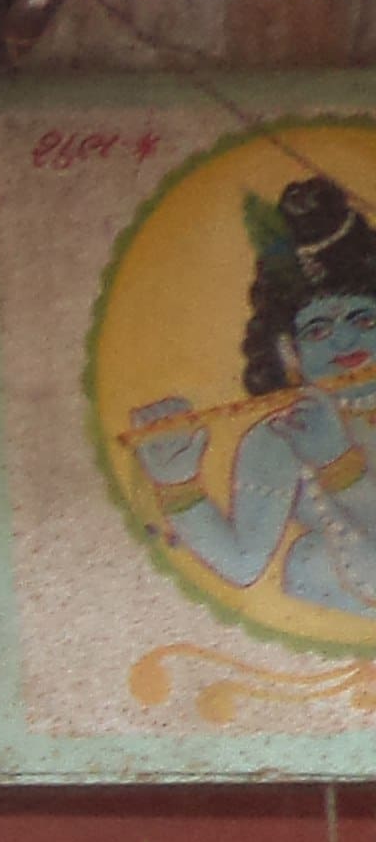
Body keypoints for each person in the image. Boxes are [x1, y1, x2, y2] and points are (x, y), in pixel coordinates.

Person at [128, 173, 376, 618]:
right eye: (318, 330)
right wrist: (178, 484)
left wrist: (338, 464)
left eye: (364, 320)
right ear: (289, 351)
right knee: (307, 562)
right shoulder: (282, 434)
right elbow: (243, 563)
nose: (344, 342)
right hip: (324, 605)